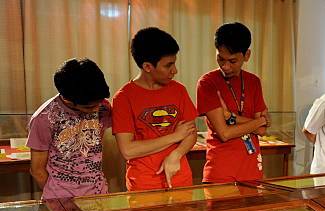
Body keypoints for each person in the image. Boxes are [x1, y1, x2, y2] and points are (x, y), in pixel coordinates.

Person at [113, 27, 197, 191]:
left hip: (180, 178)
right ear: (147, 67)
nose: (175, 70)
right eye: (168, 65)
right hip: (144, 184)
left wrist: (177, 154)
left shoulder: (179, 90)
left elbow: (190, 133)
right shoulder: (123, 97)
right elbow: (128, 150)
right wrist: (175, 136)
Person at [27, 58, 111, 200]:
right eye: (89, 107)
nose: (97, 109)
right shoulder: (44, 118)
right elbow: (37, 170)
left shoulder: (103, 106)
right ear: (67, 100)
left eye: (99, 102)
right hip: (60, 198)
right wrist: (57, 194)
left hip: (98, 193)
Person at [196, 22, 269, 183]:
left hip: (251, 169)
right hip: (220, 171)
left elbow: (262, 130)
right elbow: (224, 133)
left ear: (247, 55)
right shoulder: (207, 83)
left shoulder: (253, 81)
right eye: (220, 59)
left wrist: (231, 118)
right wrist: (260, 121)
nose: (225, 66)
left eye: (232, 61)